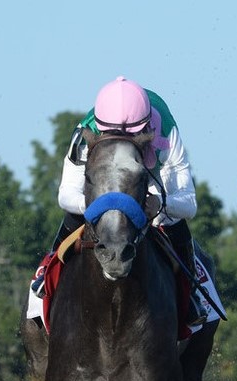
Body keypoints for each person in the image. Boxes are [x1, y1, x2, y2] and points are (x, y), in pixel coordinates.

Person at [32, 75, 206, 326]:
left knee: (171, 220)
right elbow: (66, 195)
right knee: (74, 215)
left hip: (153, 176)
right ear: (100, 129)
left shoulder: (166, 131)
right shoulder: (85, 132)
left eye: (131, 135)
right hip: (102, 186)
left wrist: (160, 204)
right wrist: (96, 205)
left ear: (147, 127)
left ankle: (191, 294)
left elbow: (188, 203)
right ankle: (47, 275)